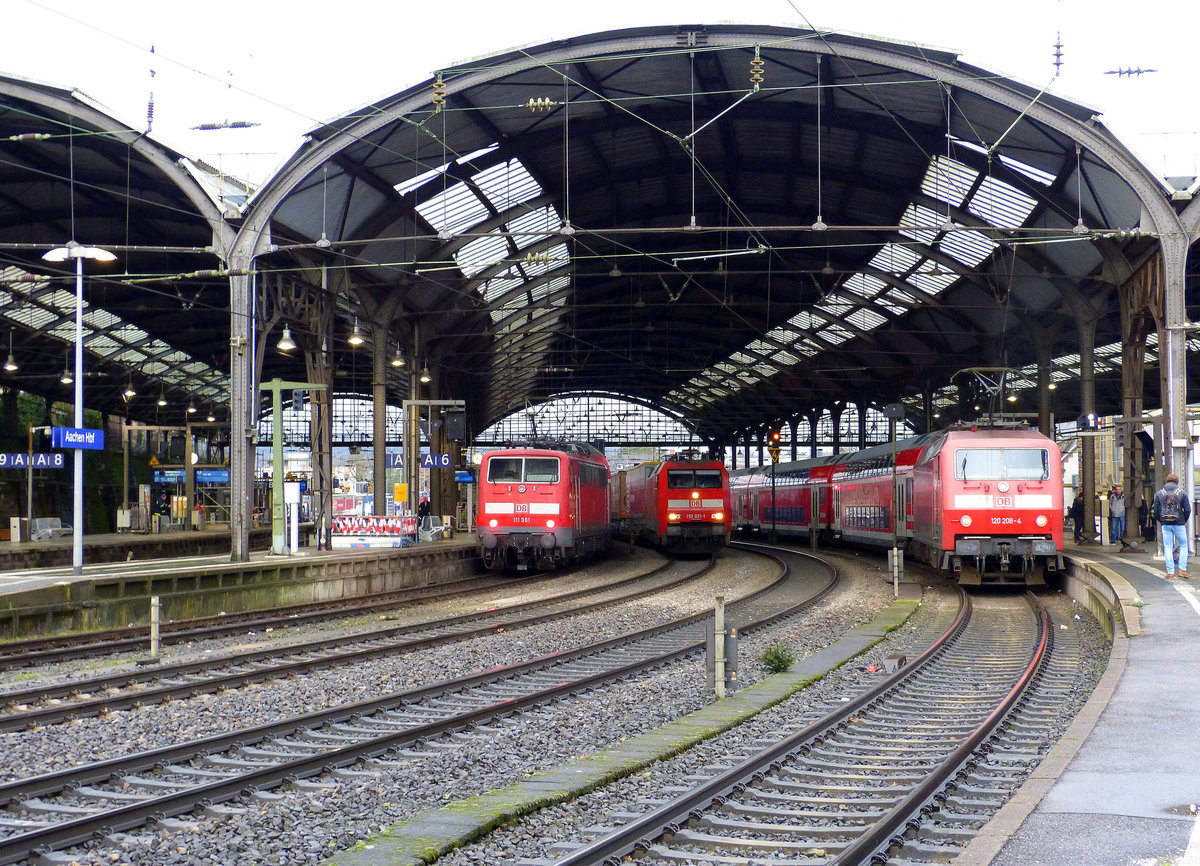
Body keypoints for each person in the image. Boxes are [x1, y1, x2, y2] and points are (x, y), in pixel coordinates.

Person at [1151, 472, 1191, 578]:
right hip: (1179, 524)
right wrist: (1183, 520)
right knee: (1183, 545)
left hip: (1166, 524)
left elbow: (1155, 511)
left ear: (1166, 482)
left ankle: (1170, 572)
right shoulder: (1182, 493)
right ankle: (1182, 570)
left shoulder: (1159, 493)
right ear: (1177, 482)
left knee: (1168, 547)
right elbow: (1187, 509)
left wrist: (1162, 521)